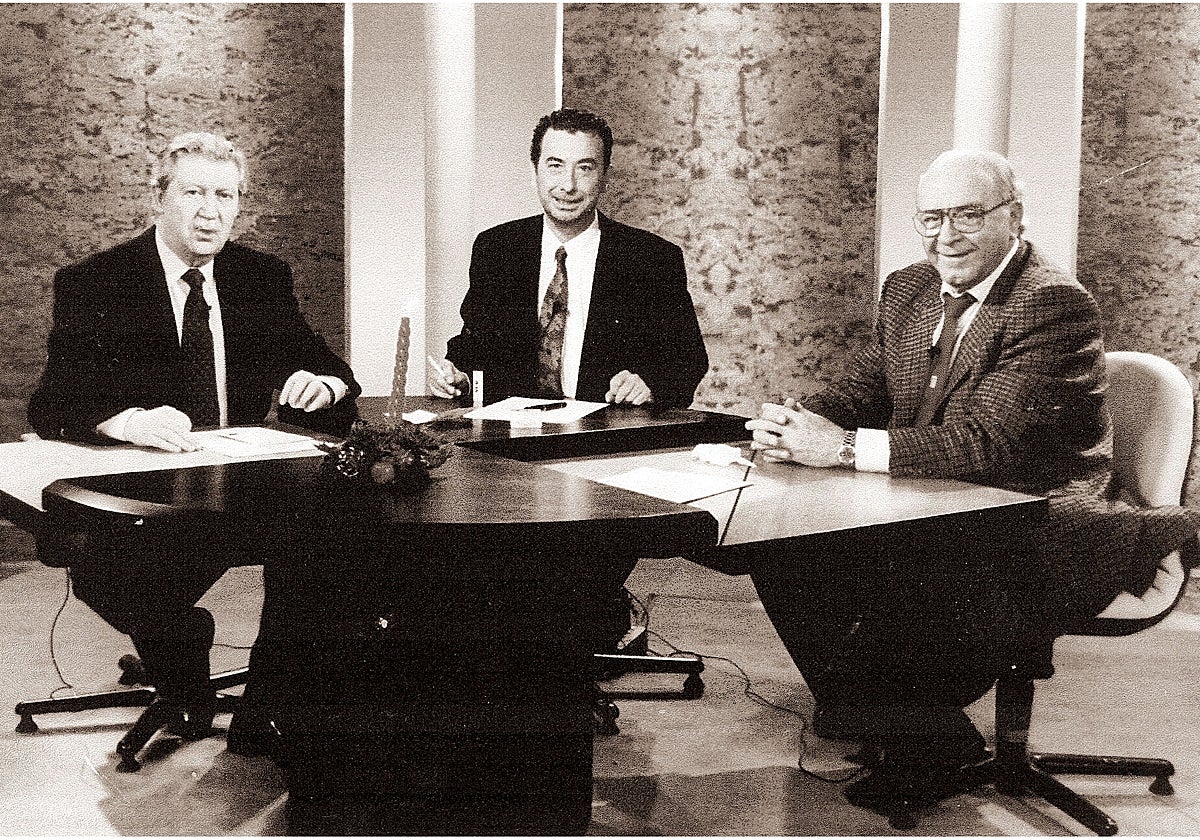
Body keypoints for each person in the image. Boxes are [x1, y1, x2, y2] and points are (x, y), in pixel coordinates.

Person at [745, 148, 1200, 811]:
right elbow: (860, 390)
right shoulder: (909, 288)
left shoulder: (1050, 303)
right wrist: (795, 423)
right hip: (944, 503)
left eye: (966, 215)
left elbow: (987, 443)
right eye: (931, 218)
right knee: (776, 537)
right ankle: (909, 723)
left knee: (916, 556)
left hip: (1035, 516)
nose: (946, 236)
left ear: (1012, 217)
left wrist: (840, 449)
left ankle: (908, 724)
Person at [27, 131, 361, 744]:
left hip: (244, 486)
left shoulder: (260, 276)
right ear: (160, 198)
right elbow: (53, 403)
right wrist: (129, 421)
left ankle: (265, 710)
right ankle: (184, 672)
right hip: (148, 494)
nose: (211, 212)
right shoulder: (98, 282)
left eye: (226, 196)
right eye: (194, 193)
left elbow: (332, 368)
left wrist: (321, 384)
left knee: (324, 548)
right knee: (105, 570)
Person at [429, 107, 708, 409]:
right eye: (555, 165)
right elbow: (475, 346)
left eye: (585, 168)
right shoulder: (497, 248)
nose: (568, 185)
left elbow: (687, 361)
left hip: (604, 442)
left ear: (605, 176)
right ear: (534, 170)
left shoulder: (650, 259)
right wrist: (458, 376)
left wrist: (648, 385)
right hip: (509, 438)